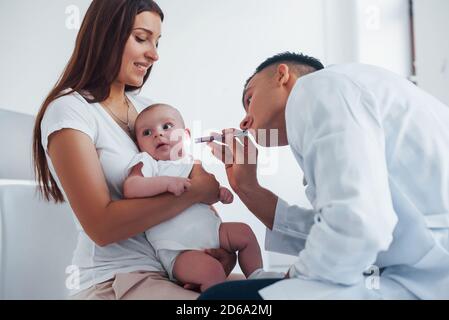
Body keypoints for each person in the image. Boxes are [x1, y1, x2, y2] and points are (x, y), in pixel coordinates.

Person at [32, 0, 238, 300]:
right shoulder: (70, 111)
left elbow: (186, 177)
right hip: (115, 280)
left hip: (174, 270)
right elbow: (102, 227)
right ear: (105, 35)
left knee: (272, 295)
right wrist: (195, 191)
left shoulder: (149, 111)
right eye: (141, 38)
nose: (154, 54)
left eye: (156, 42)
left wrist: (216, 250)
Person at [203, 52, 449, 300]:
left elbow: (356, 224)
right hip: (425, 274)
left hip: (428, 279)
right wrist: (248, 188)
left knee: (219, 301)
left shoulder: (315, 88)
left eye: (250, 98)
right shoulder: (344, 93)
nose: (244, 121)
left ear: (282, 75)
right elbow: (341, 223)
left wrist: (294, 277)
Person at [123, 103, 268, 292]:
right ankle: (207, 291)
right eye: (147, 133)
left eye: (167, 127)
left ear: (186, 135)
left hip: (212, 230)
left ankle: (257, 277)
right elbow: (131, 187)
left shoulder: (192, 162)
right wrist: (166, 183)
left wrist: (219, 193)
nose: (158, 134)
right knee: (211, 271)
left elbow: (205, 193)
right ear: (138, 144)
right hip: (179, 248)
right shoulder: (149, 164)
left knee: (244, 233)